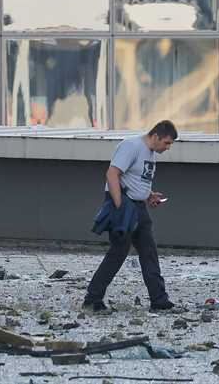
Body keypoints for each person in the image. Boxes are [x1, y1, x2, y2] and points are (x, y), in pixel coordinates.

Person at [82, 120, 178, 313]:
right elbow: (112, 174)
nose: (168, 148)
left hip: (138, 208)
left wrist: (148, 196)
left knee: (149, 252)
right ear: (156, 136)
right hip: (124, 206)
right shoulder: (131, 146)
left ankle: (159, 300)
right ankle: (92, 300)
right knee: (118, 253)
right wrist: (119, 207)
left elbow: (136, 180)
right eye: (166, 143)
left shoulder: (150, 153)